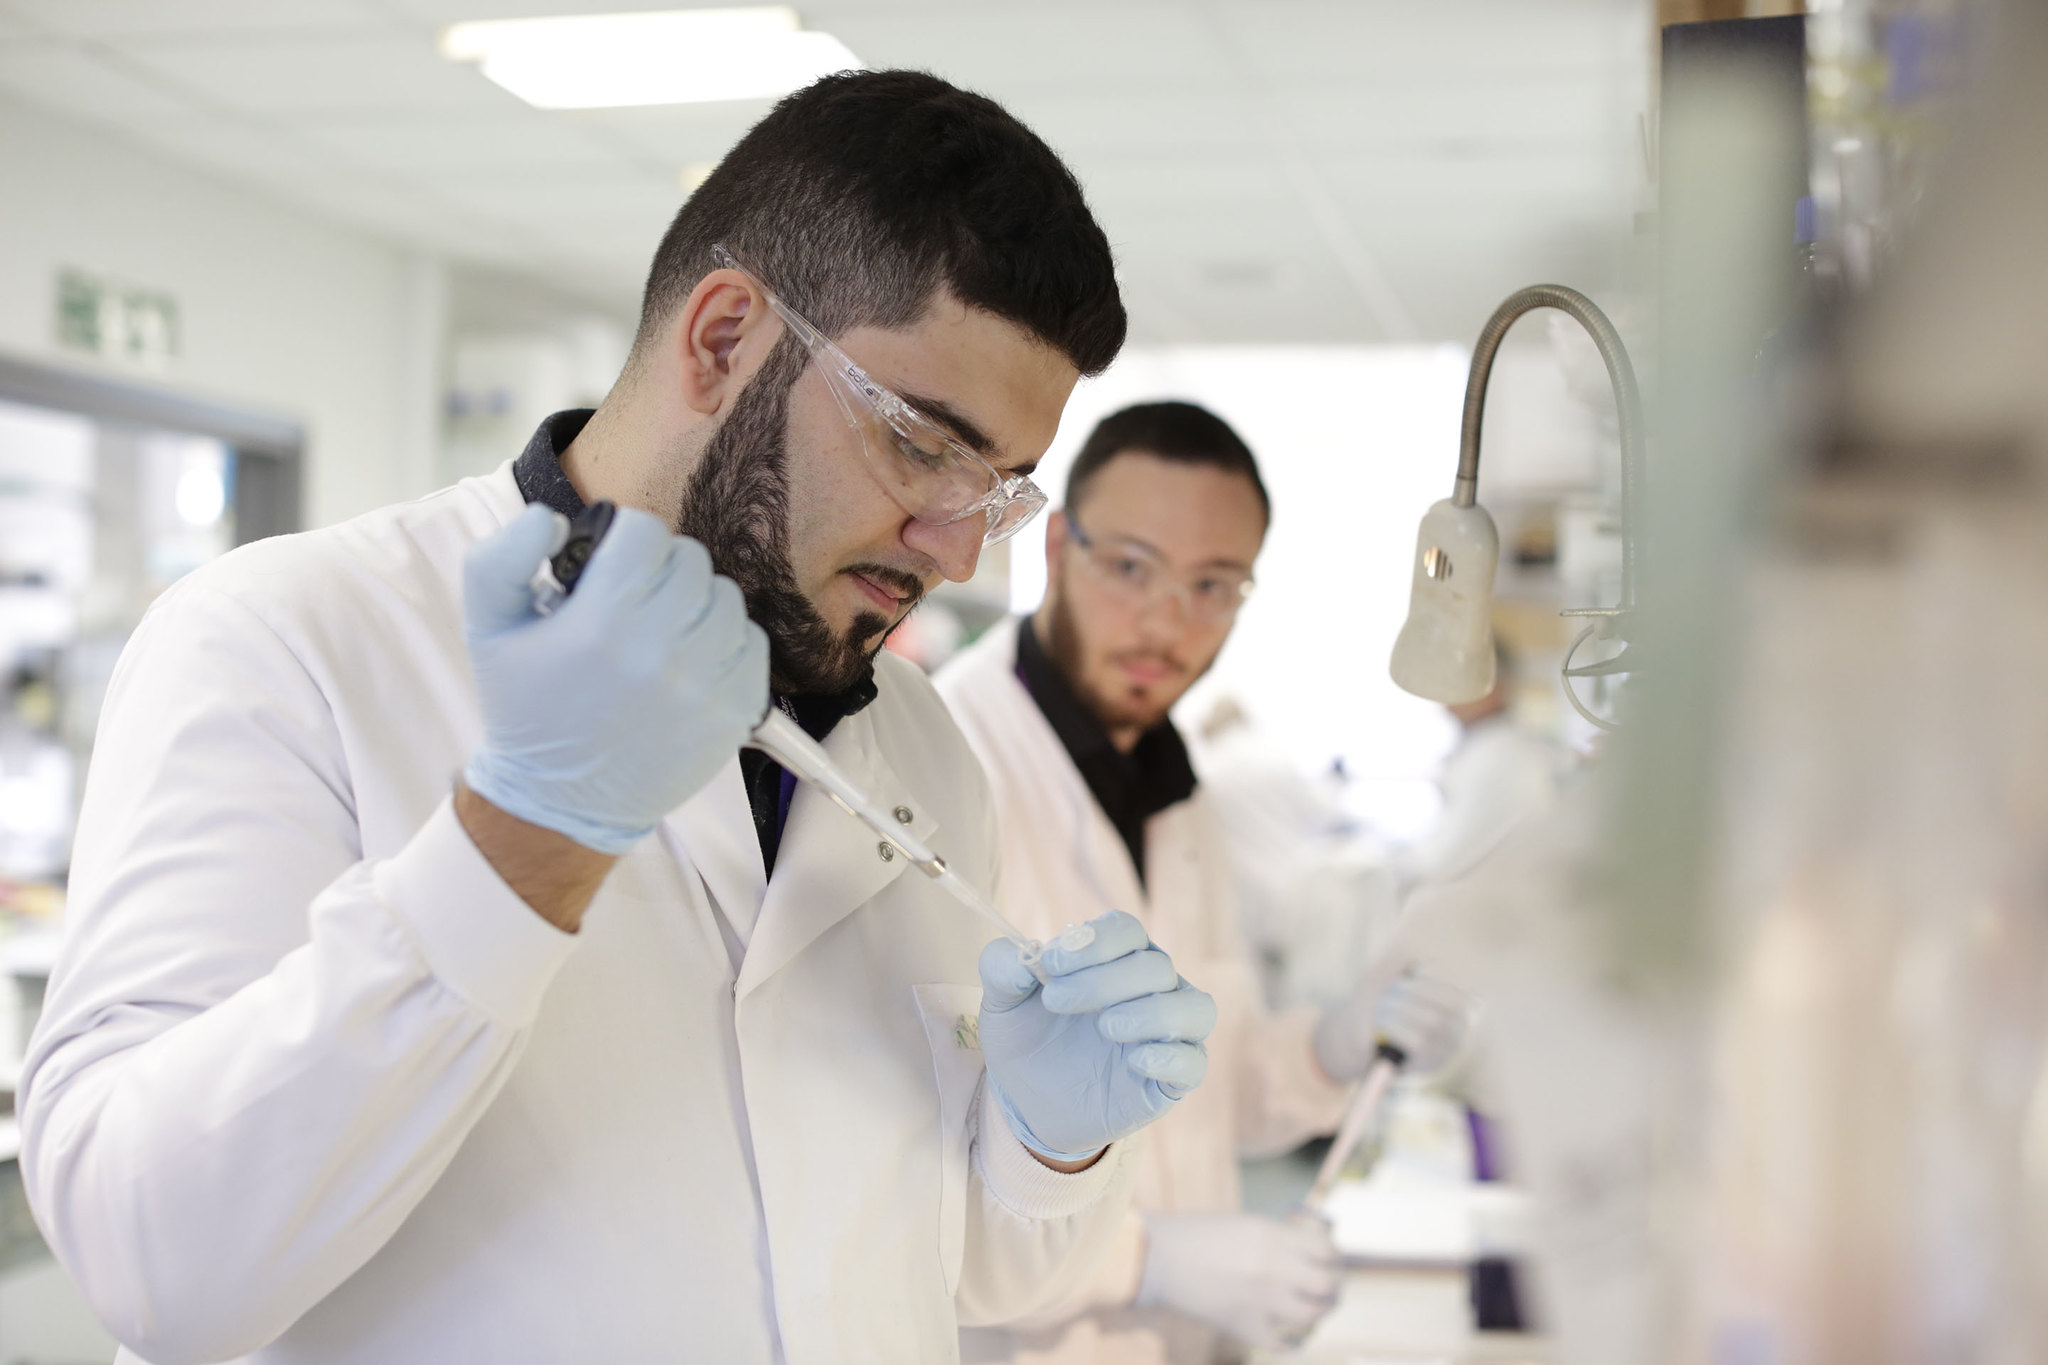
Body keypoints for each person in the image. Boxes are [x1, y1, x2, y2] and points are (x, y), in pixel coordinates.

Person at [19, 73, 1218, 1365]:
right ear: (720, 340)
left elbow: (954, 1269)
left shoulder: (917, 744)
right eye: (925, 446)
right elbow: (154, 1267)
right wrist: (518, 843)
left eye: (998, 491)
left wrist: (1049, 1141)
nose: (959, 552)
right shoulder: (289, 638)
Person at [938, 402, 1467, 1364]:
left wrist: (1340, 1044)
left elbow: (1209, 1090)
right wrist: (1150, 1261)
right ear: (1057, 545)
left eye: (1214, 584)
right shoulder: (944, 764)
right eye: (1131, 567)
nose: (1167, 622)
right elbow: (908, 1179)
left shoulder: (1181, 794)